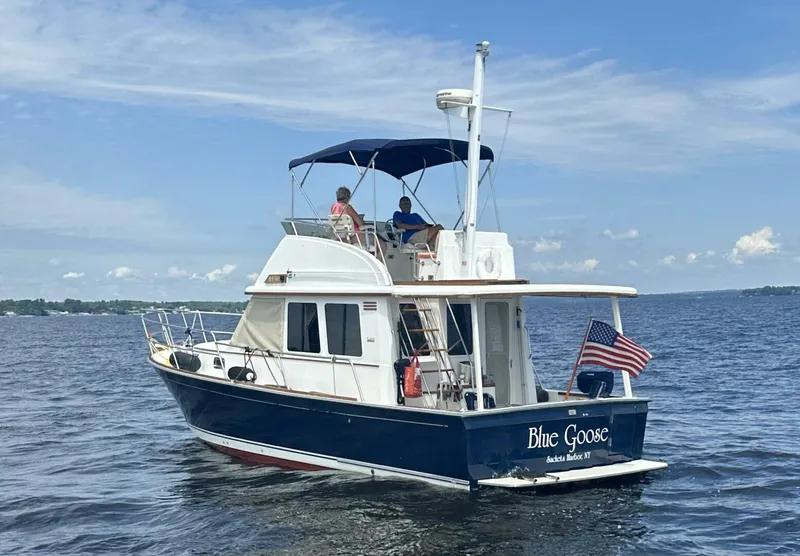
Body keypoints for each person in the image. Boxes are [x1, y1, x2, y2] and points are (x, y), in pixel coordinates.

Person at [330, 186, 387, 258]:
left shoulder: (333, 207)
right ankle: (378, 267)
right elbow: (360, 223)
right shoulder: (347, 207)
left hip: (340, 237)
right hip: (354, 236)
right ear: (347, 197)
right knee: (382, 245)